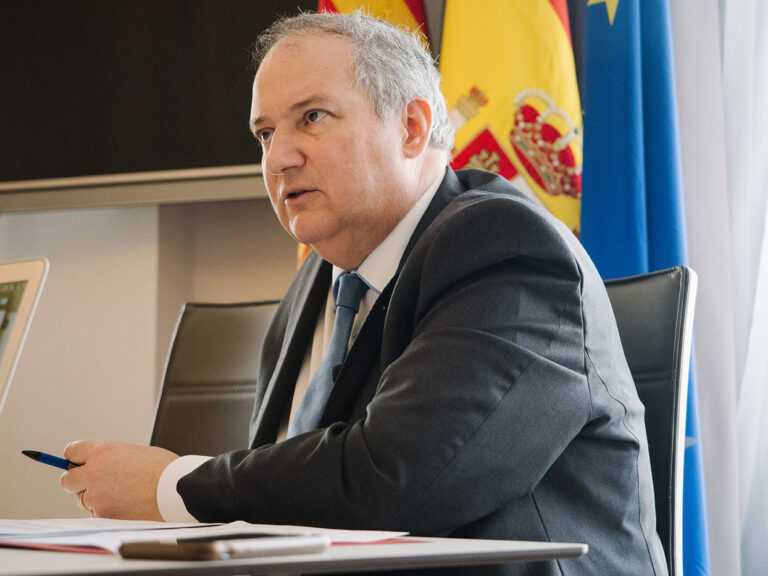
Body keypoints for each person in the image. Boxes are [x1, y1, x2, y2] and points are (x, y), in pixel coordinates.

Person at [60, 11, 668, 576]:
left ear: (411, 127)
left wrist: (170, 485)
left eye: (312, 118)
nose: (279, 158)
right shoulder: (317, 280)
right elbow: (288, 500)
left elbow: (400, 478)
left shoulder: (503, 246)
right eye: (265, 133)